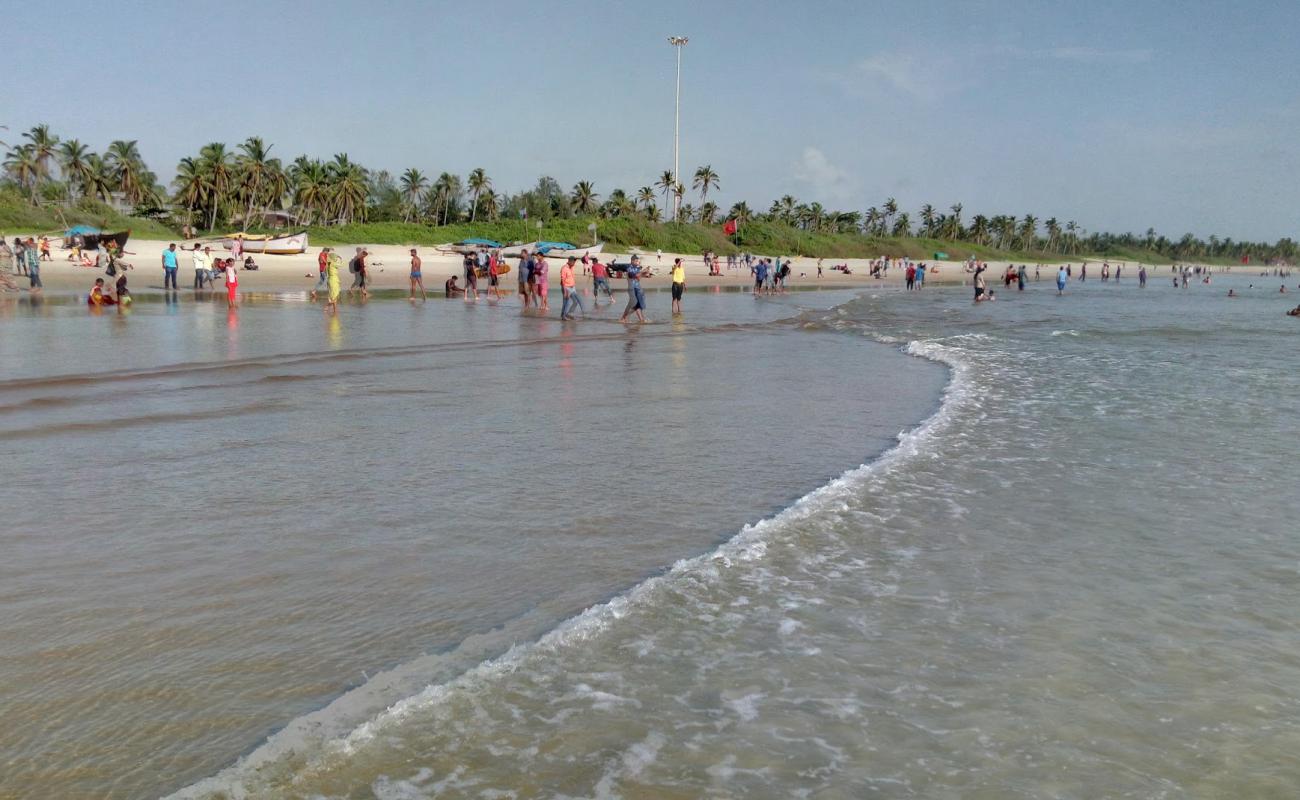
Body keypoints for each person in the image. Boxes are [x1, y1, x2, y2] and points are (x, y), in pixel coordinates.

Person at [619, 254, 648, 323]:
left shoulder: (637, 268)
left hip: (637, 288)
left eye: (637, 261)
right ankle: (624, 317)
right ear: (632, 261)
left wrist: (645, 273)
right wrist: (641, 272)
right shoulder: (629, 268)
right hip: (631, 288)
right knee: (634, 303)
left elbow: (638, 278)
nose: (637, 262)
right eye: (636, 261)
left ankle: (641, 320)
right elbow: (632, 275)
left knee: (639, 305)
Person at [559, 256, 585, 320]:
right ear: (569, 261)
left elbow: (571, 277)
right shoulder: (564, 268)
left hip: (572, 287)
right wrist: (565, 290)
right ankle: (564, 316)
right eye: (573, 261)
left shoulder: (571, 267)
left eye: (574, 262)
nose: (574, 263)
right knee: (566, 302)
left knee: (577, 300)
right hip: (566, 288)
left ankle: (569, 313)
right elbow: (563, 279)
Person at [324, 249, 342, 313]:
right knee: (335, 296)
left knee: (333, 296)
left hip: (330, 280)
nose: (336, 258)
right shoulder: (333, 264)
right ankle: (327, 306)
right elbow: (341, 264)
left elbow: (325, 272)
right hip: (334, 280)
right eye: (335, 257)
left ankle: (335, 310)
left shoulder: (327, 264)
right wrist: (340, 258)